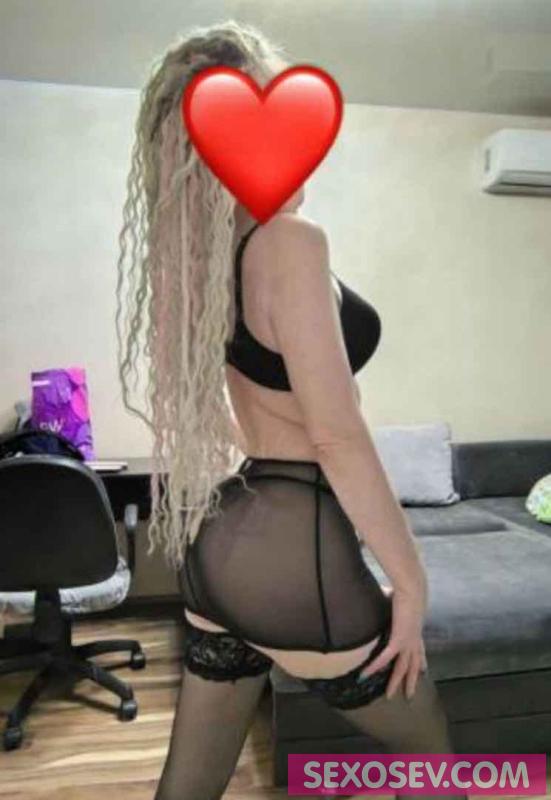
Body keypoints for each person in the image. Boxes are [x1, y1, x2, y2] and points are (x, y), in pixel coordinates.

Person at [115, 19, 466, 800]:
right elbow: (335, 436)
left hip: (227, 543)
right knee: (430, 758)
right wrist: (409, 581)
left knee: (190, 783)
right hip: (293, 547)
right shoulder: (288, 242)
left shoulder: (205, 265)